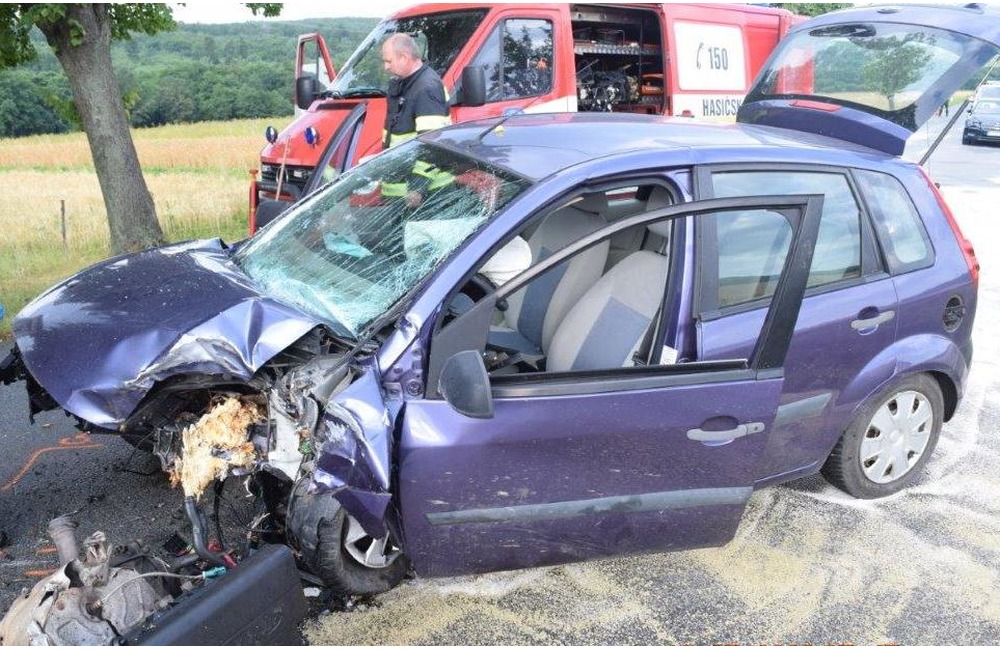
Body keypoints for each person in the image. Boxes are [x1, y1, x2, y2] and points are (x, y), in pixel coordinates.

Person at [380, 33, 451, 149]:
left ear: (404, 57)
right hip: (399, 163)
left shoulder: (427, 88)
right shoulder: (406, 82)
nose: (386, 67)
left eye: (389, 61)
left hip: (418, 167)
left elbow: (431, 146)